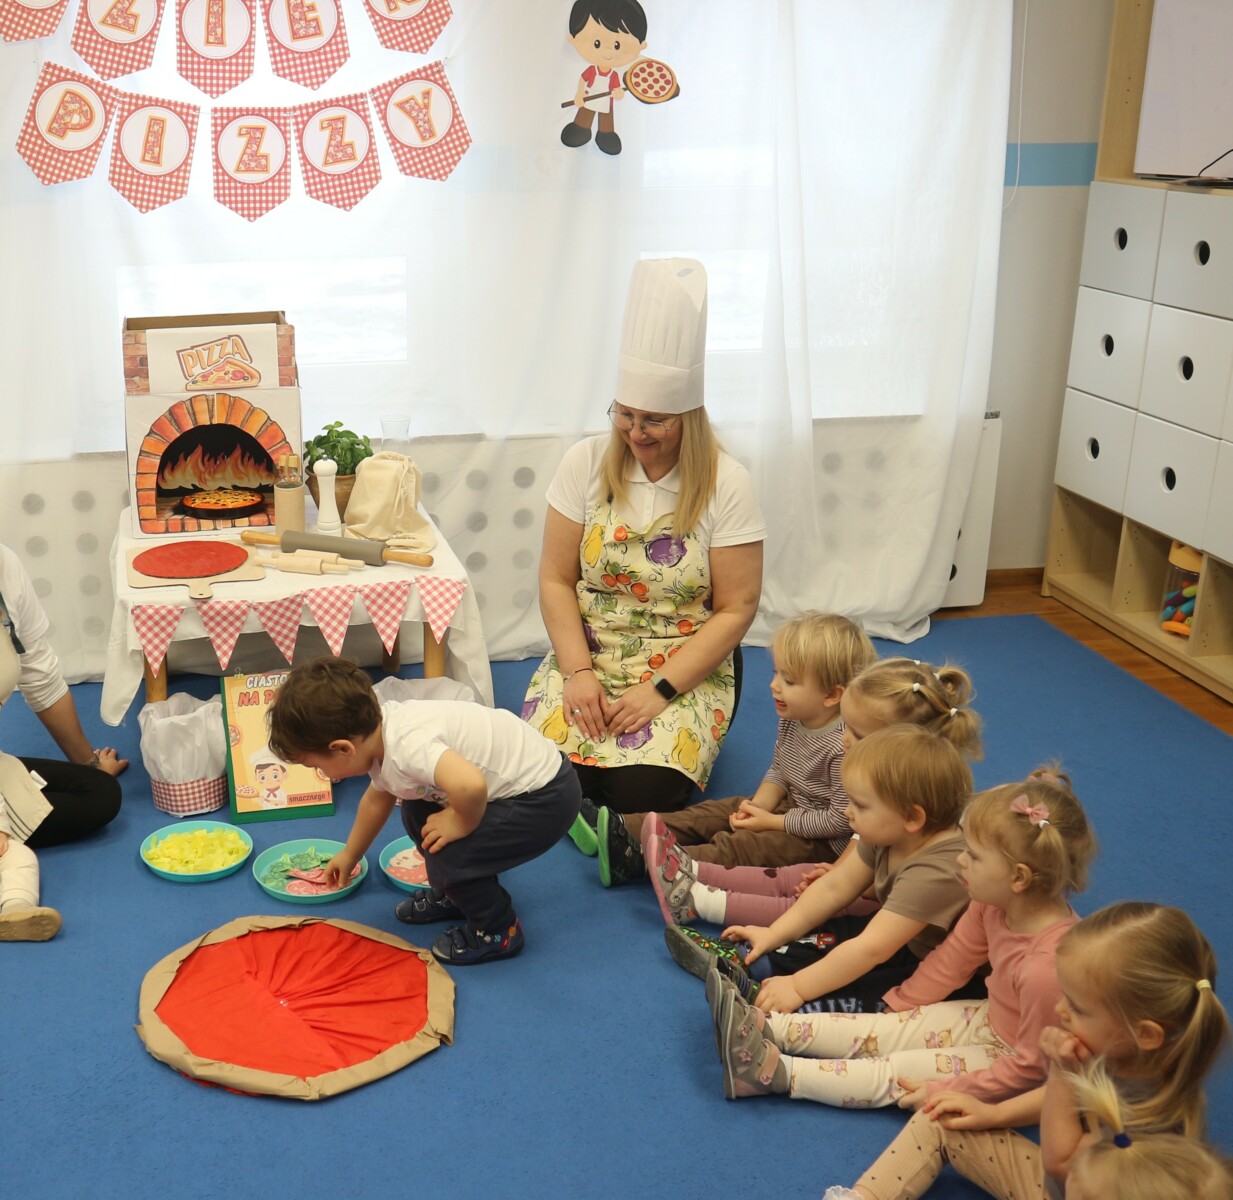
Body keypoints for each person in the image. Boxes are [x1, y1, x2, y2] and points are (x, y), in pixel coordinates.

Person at [522, 257, 765, 820]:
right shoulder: (584, 463)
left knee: (640, 794)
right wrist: (579, 674)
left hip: (681, 662)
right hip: (592, 650)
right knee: (545, 776)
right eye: (625, 415)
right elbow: (556, 578)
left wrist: (657, 693)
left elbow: (737, 608)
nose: (635, 433)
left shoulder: (728, 482)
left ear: (690, 417)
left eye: (655, 420)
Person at [707, 768, 1097, 1107]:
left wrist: (953, 1089)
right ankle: (767, 1027)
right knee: (874, 1032)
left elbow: (1032, 1068)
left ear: (1018, 878)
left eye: (974, 856)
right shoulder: (992, 904)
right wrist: (900, 1012)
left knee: (894, 1071)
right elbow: (951, 962)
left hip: (1013, 1058)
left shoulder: (1046, 969)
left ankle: (773, 1075)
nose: (960, 859)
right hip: (989, 1015)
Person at [822, 901, 1231, 1200]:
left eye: (1078, 1008)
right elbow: (1073, 1100)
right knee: (942, 1119)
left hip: (1072, 1187)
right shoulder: (1131, 1053)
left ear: (1145, 1034)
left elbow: (1061, 1165)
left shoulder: (1145, 1117)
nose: (1060, 1010)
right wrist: (994, 1113)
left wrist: (1063, 1073)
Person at [648, 655, 981, 971]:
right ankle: (691, 872)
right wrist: (837, 878)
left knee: (819, 908)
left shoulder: (902, 820)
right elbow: (846, 878)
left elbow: (873, 918)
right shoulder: (887, 806)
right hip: (871, 889)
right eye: (845, 726)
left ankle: (703, 903)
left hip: (906, 936)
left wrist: (797, 984)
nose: (844, 739)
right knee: (802, 881)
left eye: (856, 733)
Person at [267, 658, 580, 965]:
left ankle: (498, 931)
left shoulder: (407, 747)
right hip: (509, 787)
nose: (320, 773)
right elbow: (377, 799)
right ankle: (457, 893)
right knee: (416, 808)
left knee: (452, 859)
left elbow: (470, 785)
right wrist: (351, 854)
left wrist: (460, 823)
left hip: (544, 799)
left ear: (343, 748)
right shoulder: (380, 732)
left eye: (316, 766)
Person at [686, 723, 973, 1017]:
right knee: (834, 933)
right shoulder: (889, 830)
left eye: (860, 805)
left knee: (870, 993)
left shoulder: (935, 872)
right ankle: (762, 962)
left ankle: (790, 1017)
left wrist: (798, 988)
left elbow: (872, 949)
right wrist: (774, 933)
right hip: (901, 938)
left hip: (940, 968)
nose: (848, 812)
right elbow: (834, 888)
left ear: (912, 817)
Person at [587, 611, 874, 888]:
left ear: (831, 695)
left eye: (789, 681)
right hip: (791, 808)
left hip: (821, 841)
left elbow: (838, 822)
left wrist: (772, 822)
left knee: (742, 847)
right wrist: (758, 807)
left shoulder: (844, 746)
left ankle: (641, 863)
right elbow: (780, 769)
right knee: (711, 814)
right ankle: (622, 827)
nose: (773, 686)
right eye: (776, 673)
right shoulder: (794, 716)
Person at [1, 543, 125, 941]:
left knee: (100, 793)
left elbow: (38, 674)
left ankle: (14, 911)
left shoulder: (5, 565)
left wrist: (90, 765)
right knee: (13, 850)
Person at [560, 0, 648, 156]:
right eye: (597, 43)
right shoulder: (592, 70)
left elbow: (617, 88)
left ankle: (606, 134)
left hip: (607, 101)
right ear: (573, 39)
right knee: (585, 112)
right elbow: (583, 80)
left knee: (606, 116)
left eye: (617, 45)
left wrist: (618, 93)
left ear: (641, 45)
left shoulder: (613, 75)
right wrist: (580, 93)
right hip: (590, 96)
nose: (608, 50)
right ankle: (580, 128)